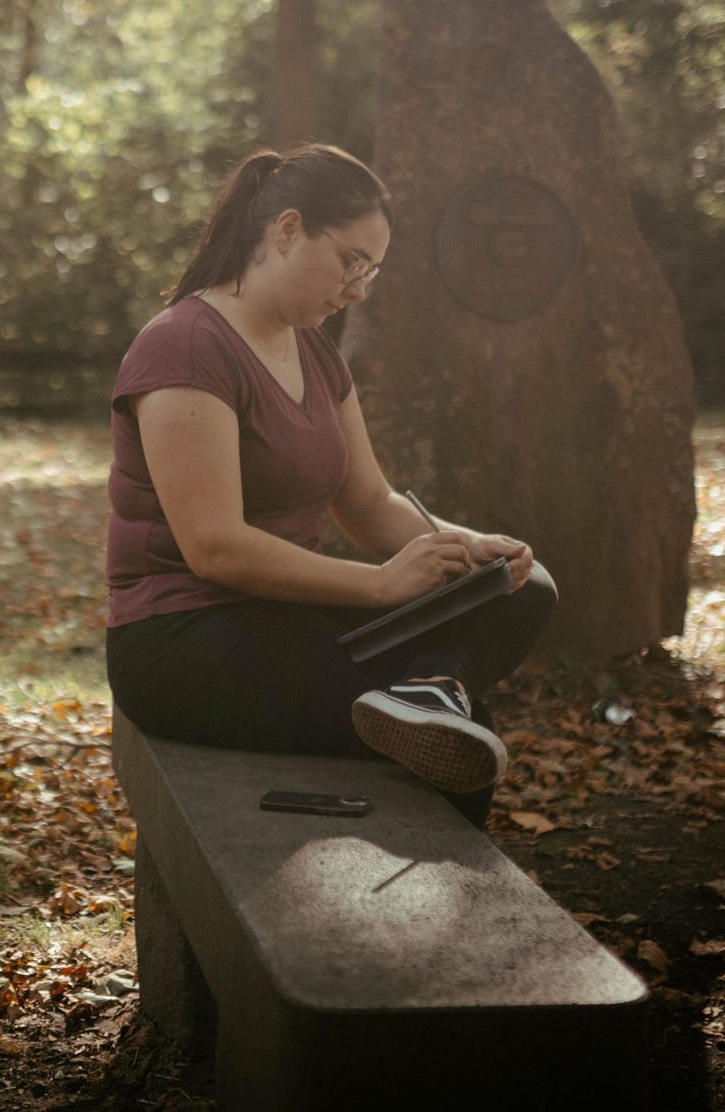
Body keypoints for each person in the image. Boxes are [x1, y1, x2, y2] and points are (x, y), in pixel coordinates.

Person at [103, 144, 556, 827]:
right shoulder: (185, 346)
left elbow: (369, 504)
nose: (359, 289)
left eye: (371, 271)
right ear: (286, 230)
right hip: (184, 637)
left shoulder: (314, 351)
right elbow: (215, 548)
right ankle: (395, 924)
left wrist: (463, 546)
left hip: (284, 614)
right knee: (457, 739)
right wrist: (380, 585)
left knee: (522, 589)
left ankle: (429, 691)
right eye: (351, 262)